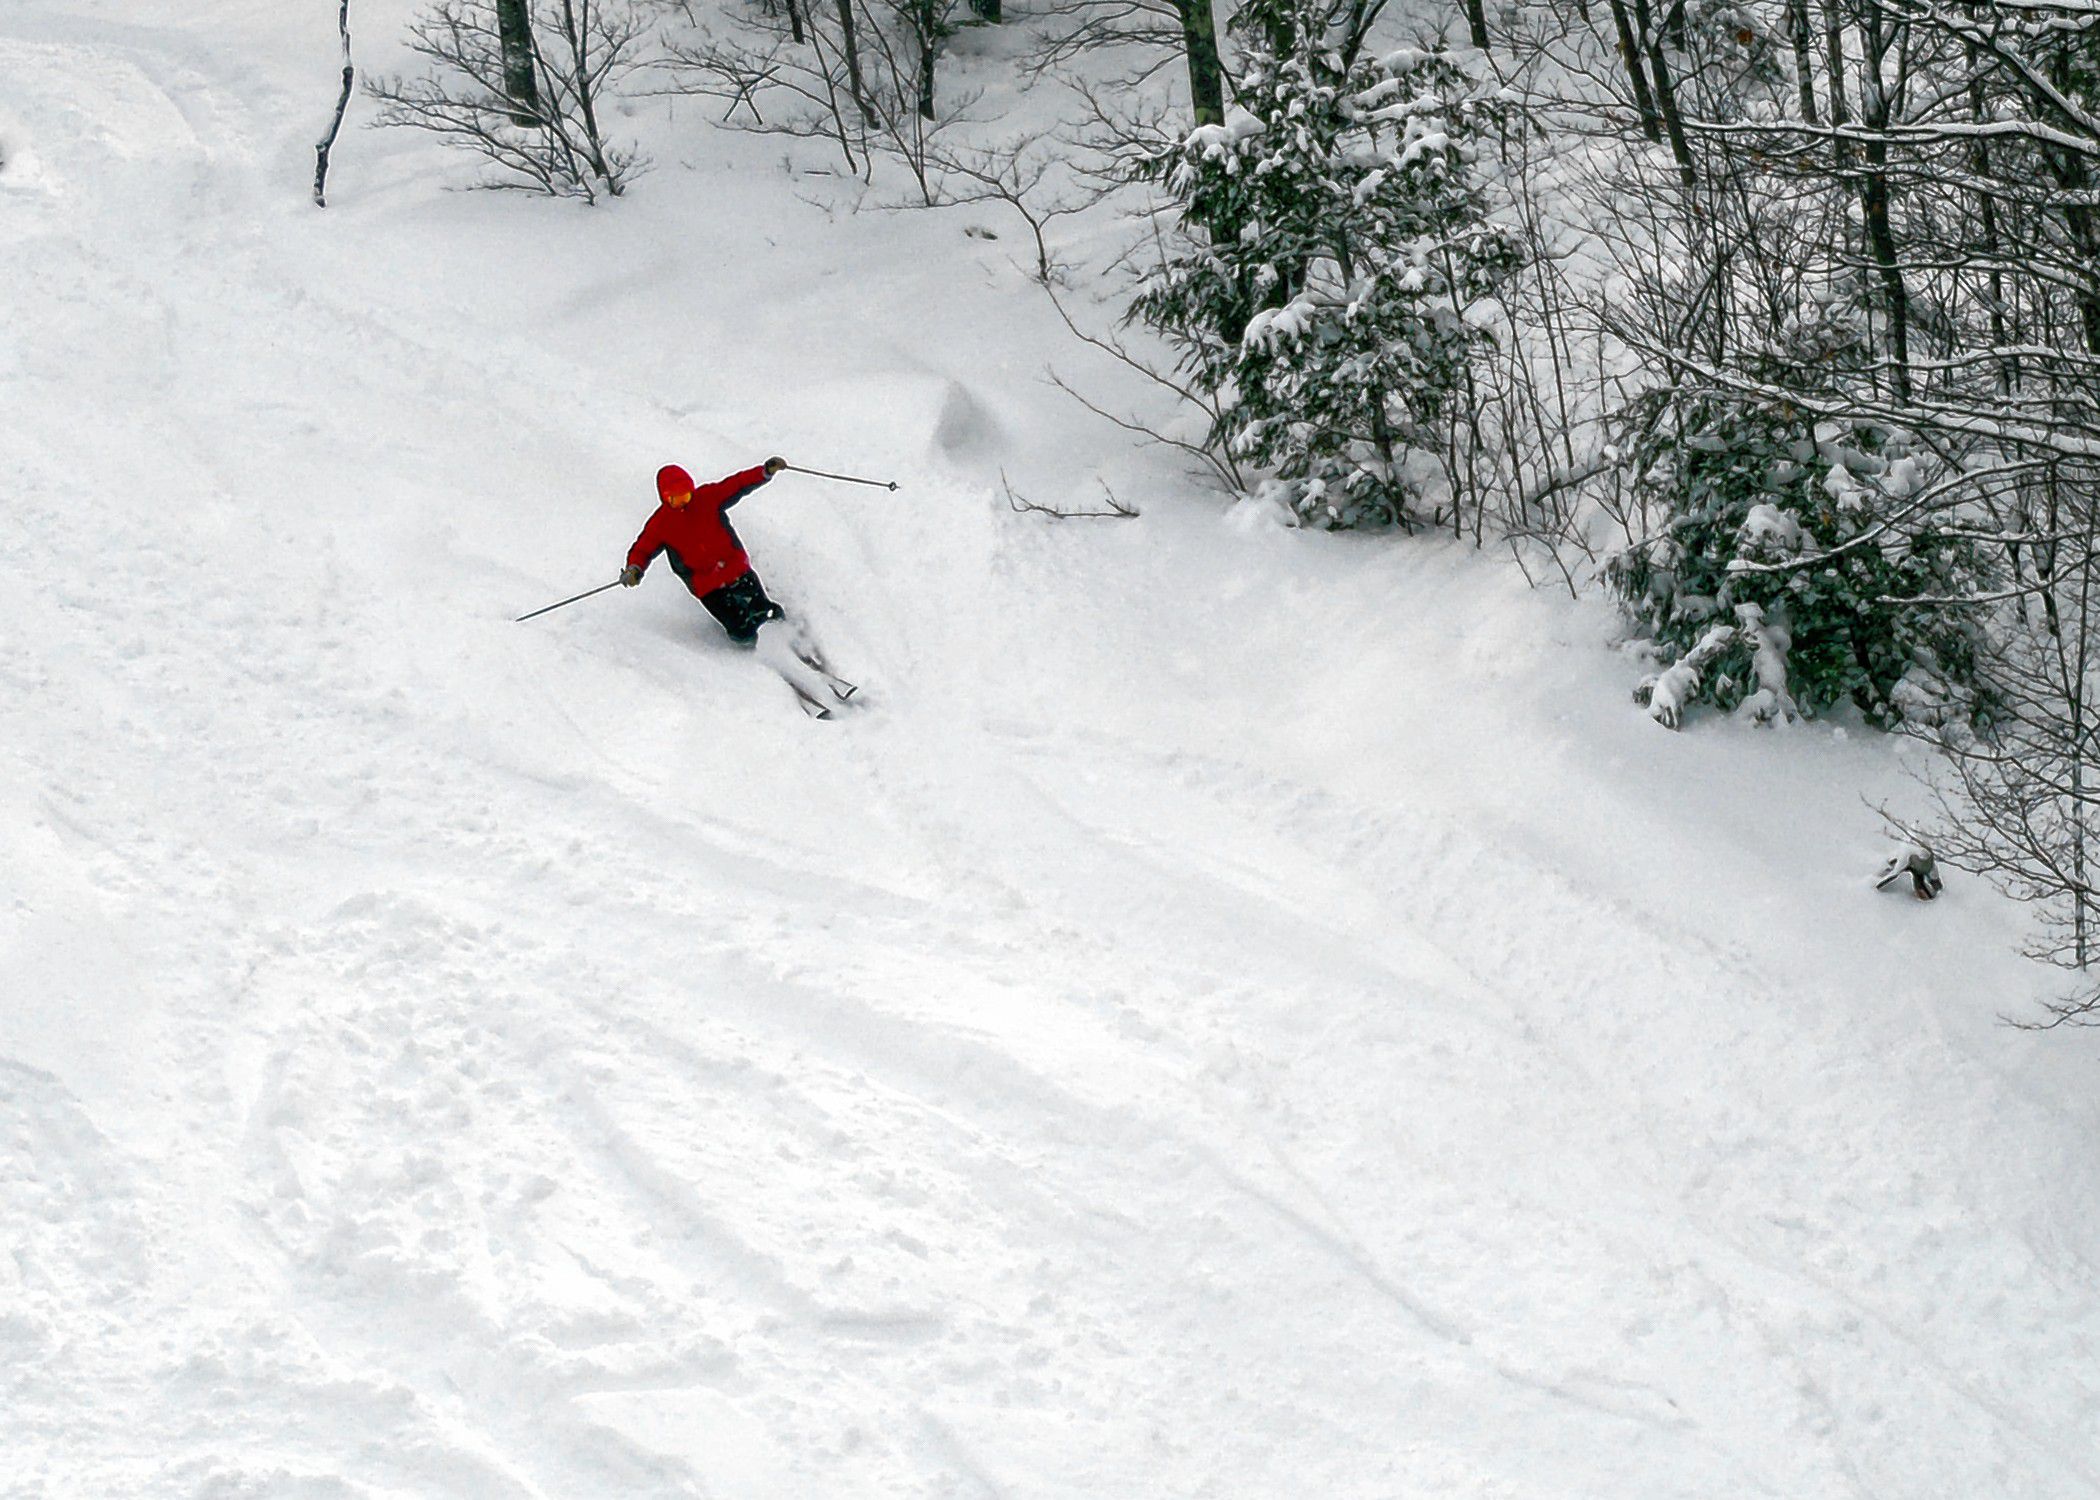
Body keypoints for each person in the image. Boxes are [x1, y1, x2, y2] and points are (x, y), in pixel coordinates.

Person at [620, 456, 789, 644]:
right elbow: (642, 549)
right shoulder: (660, 523)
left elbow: (737, 484)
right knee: (740, 627)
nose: (683, 502)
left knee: (764, 610)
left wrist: (765, 472)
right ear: (665, 498)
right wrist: (634, 569)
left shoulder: (707, 497)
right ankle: (756, 657)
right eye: (676, 499)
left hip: (736, 569)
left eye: (686, 496)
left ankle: (790, 638)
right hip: (707, 586)